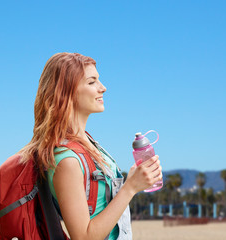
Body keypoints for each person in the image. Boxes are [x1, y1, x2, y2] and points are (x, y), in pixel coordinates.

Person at [18, 52, 162, 240]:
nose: (103, 88)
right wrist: (131, 187)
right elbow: (83, 236)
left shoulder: (87, 143)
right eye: (92, 82)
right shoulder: (66, 160)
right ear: (66, 91)